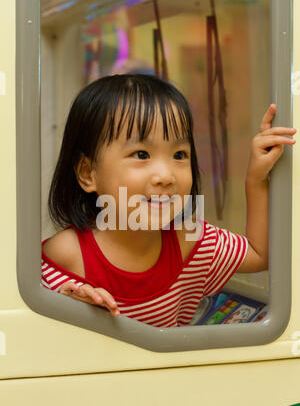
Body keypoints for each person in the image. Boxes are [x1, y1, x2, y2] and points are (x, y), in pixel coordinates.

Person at [41, 74, 296, 327]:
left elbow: (260, 255)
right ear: (88, 173)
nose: (166, 176)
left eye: (179, 154)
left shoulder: (190, 240)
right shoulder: (65, 253)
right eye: (141, 154)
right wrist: (66, 307)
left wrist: (256, 179)